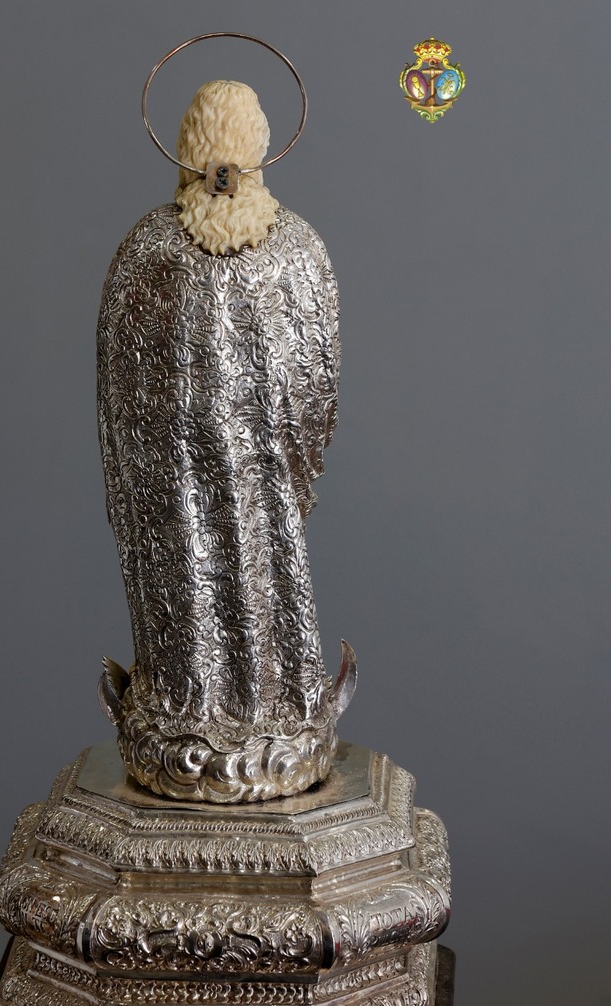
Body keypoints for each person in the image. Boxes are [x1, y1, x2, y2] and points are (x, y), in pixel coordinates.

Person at [97, 81, 354, 802]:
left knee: (185, 571)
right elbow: (317, 382)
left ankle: (183, 709)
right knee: (262, 568)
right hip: (261, 480)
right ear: (260, 144)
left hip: (172, 483)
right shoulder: (299, 248)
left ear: (186, 146)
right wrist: (287, 462)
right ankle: (271, 711)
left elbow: (118, 396)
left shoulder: (146, 249)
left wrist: (143, 475)